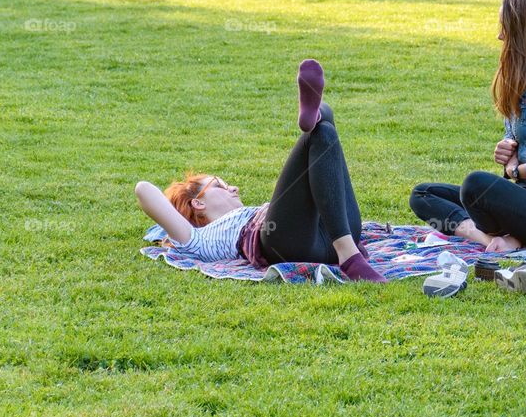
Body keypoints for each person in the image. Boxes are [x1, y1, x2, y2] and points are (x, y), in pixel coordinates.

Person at [135, 60, 386, 282]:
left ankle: (316, 115)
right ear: (198, 204)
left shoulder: (254, 210)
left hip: (339, 229)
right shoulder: (197, 238)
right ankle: (349, 256)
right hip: (291, 244)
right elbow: (143, 189)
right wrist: (168, 224)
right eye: (220, 185)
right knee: (315, 135)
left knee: (325, 129)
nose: (234, 188)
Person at [410, 0, 526, 252]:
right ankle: (494, 240)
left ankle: (510, 236)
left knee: (474, 186)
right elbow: (519, 136)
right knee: (423, 194)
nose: (499, 35)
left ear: (521, 29)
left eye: (504, 27)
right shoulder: (524, 70)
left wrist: (515, 171)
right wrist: (508, 145)